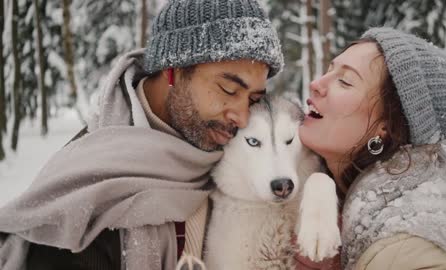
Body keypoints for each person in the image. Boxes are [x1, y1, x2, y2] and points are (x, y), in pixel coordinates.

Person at [0, 1, 283, 270]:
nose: (242, 117)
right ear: (173, 70)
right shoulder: (86, 192)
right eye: (229, 90)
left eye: (254, 99)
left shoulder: (243, 156)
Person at [297, 27, 446, 270]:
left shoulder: (410, 249)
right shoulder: (323, 198)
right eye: (329, 70)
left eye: (344, 81)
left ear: (385, 129)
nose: (316, 84)